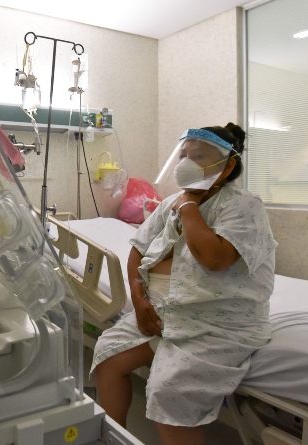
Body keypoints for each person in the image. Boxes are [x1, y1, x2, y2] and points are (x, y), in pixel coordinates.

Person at [91, 123, 277, 445]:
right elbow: (138, 249)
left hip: (217, 324)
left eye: (199, 156)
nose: (186, 164)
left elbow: (214, 258)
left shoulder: (243, 206)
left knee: (168, 391)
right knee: (108, 355)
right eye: (183, 156)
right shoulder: (170, 204)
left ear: (227, 166)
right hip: (164, 312)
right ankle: (112, 440)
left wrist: (190, 206)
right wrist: (138, 298)